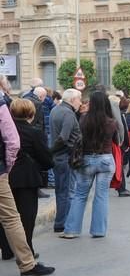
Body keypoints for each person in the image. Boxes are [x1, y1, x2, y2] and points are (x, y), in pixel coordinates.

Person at [0, 77, 54, 276]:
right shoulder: (2, 106)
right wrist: (7, 165)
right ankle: (27, 261)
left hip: (9, 174)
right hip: (12, 175)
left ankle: (9, 250)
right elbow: (12, 143)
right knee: (16, 218)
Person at [61, 91, 118, 239]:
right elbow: (117, 141)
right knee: (102, 195)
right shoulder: (111, 122)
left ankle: (71, 230)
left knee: (80, 195)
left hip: (86, 159)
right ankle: (98, 231)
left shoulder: (84, 120)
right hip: (105, 159)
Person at [8, 99, 54, 257]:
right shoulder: (34, 133)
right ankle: (27, 251)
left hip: (6, 177)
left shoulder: (5, 130)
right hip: (27, 179)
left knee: (6, 216)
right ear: (31, 113)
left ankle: (7, 250)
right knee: (26, 217)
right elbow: (46, 159)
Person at [49, 89, 82, 233]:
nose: (80, 103)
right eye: (79, 100)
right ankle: (63, 222)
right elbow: (64, 137)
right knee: (68, 191)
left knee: (61, 191)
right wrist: (51, 150)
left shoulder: (55, 110)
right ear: (73, 100)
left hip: (59, 157)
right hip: (66, 157)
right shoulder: (68, 113)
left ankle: (60, 221)